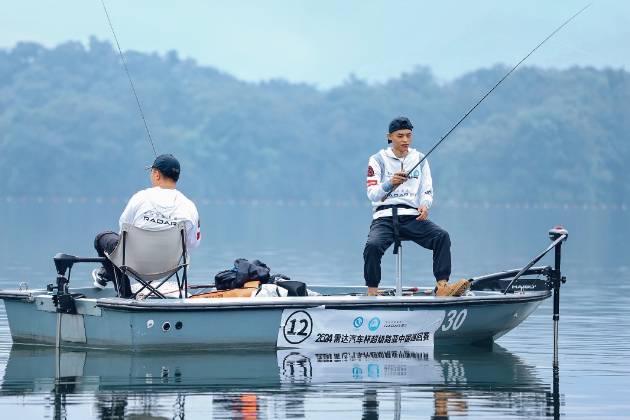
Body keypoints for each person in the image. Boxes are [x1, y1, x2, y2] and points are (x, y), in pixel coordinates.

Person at [363, 117, 469, 297]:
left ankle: (443, 286)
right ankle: (372, 291)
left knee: (441, 236)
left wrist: (425, 205)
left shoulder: (420, 158)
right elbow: (372, 194)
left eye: (409, 135)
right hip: (384, 217)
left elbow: (427, 190)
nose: (405, 140)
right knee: (372, 246)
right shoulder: (377, 159)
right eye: (400, 136)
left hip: (412, 217)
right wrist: (390, 183)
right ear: (390, 137)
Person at [92, 154, 201, 297]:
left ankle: (123, 291)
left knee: (102, 237)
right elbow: (193, 244)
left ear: (156, 174)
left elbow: (123, 233)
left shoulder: (139, 198)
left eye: (151, 172)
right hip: (170, 267)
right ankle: (107, 273)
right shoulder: (190, 206)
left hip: (134, 265)